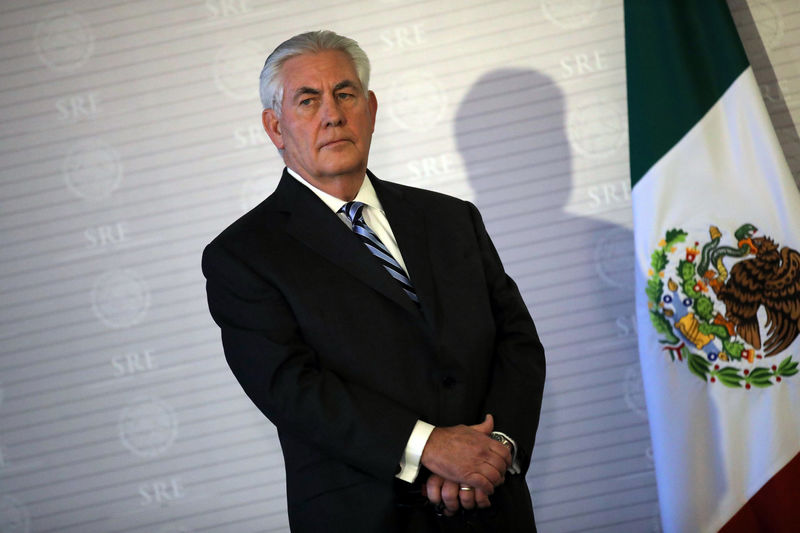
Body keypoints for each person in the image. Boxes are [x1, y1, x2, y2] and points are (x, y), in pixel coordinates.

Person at [202, 30, 546, 532]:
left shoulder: (451, 218)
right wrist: (429, 446)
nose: (332, 114)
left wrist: (493, 452)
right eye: (308, 99)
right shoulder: (243, 256)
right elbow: (293, 390)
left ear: (371, 108)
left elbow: (517, 342)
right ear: (275, 127)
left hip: (493, 510)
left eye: (345, 94)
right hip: (367, 517)